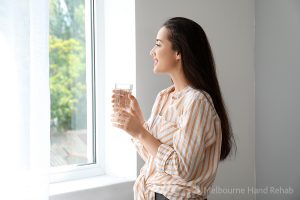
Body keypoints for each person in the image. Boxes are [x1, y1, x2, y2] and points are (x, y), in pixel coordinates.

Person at [111, 17, 236, 200]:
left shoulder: (196, 101)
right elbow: (154, 159)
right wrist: (138, 124)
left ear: (178, 52)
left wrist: (140, 132)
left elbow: (183, 170)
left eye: (158, 45)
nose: (152, 52)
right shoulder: (163, 97)